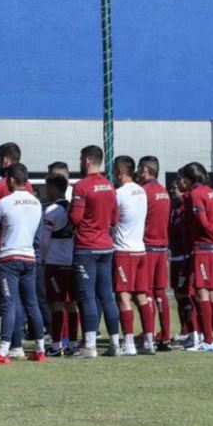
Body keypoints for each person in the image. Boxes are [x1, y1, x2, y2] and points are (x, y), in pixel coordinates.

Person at [0, 163, 45, 365]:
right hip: (29, 257)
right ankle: (40, 350)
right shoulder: (37, 203)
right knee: (31, 304)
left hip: (9, 258)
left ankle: (3, 351)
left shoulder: (4, 203)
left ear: (10, 180)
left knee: (8, 304)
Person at [70, 145, 121, 358]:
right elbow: (114, 219)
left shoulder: (81, 186)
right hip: (106, 247)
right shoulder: (109, 186)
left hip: (87, 247)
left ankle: (89, 345)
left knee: (87, 296)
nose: (80, 162)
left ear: (88, 160)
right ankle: (115, 344)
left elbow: (75, 218)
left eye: (82, 159)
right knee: (107, 296)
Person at [0, 143, 33, 340]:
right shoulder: (28, 187)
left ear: (4, 160)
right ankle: (23, 329)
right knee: (23, 293)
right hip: (25, 248)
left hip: (2, 248)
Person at [177, 162, 213, 352]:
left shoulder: (196, 194)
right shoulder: (212, 192)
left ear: (189, 178)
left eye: (182, 177)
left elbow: (203, 222)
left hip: (203, 248)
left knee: (201, 292)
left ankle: (207, 340)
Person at [111, 156, 152, 356]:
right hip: (140, 249)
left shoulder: (118, 194)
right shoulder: (142, 191)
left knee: (123, 296)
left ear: (119, 172)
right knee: (142, 296)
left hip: (124, 251)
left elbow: (112, 220)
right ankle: (149, 340)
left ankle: (128, 343)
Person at [137, 156, 173, 350]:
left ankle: (149, 336)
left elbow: (140, 219)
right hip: (162, 247)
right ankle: (165, 336)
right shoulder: (164, 192)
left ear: (144, 170)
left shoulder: (144, 192)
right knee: (161, 292)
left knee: (147, 292)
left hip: (148, 246)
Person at [39, 173, 77, 356]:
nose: (46, 192)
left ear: (53, 189)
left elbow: (45, 240)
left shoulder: (52, 210)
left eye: (47, 188)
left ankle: (56, 346)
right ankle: (72, 343)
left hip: (55, 262)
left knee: (56, 303)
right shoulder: (71, 208)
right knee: (70, 303)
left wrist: (43, 258)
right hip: (71, 261)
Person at [168, 181, 196, 346]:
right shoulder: (173, 209)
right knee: (179, 295)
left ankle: (192, 331)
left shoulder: (187, 208)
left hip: (185, 258)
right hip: (175, 257)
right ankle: (184, 330)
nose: (173, 191)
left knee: (186, 295)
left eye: (175, 188)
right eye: (172, 188)